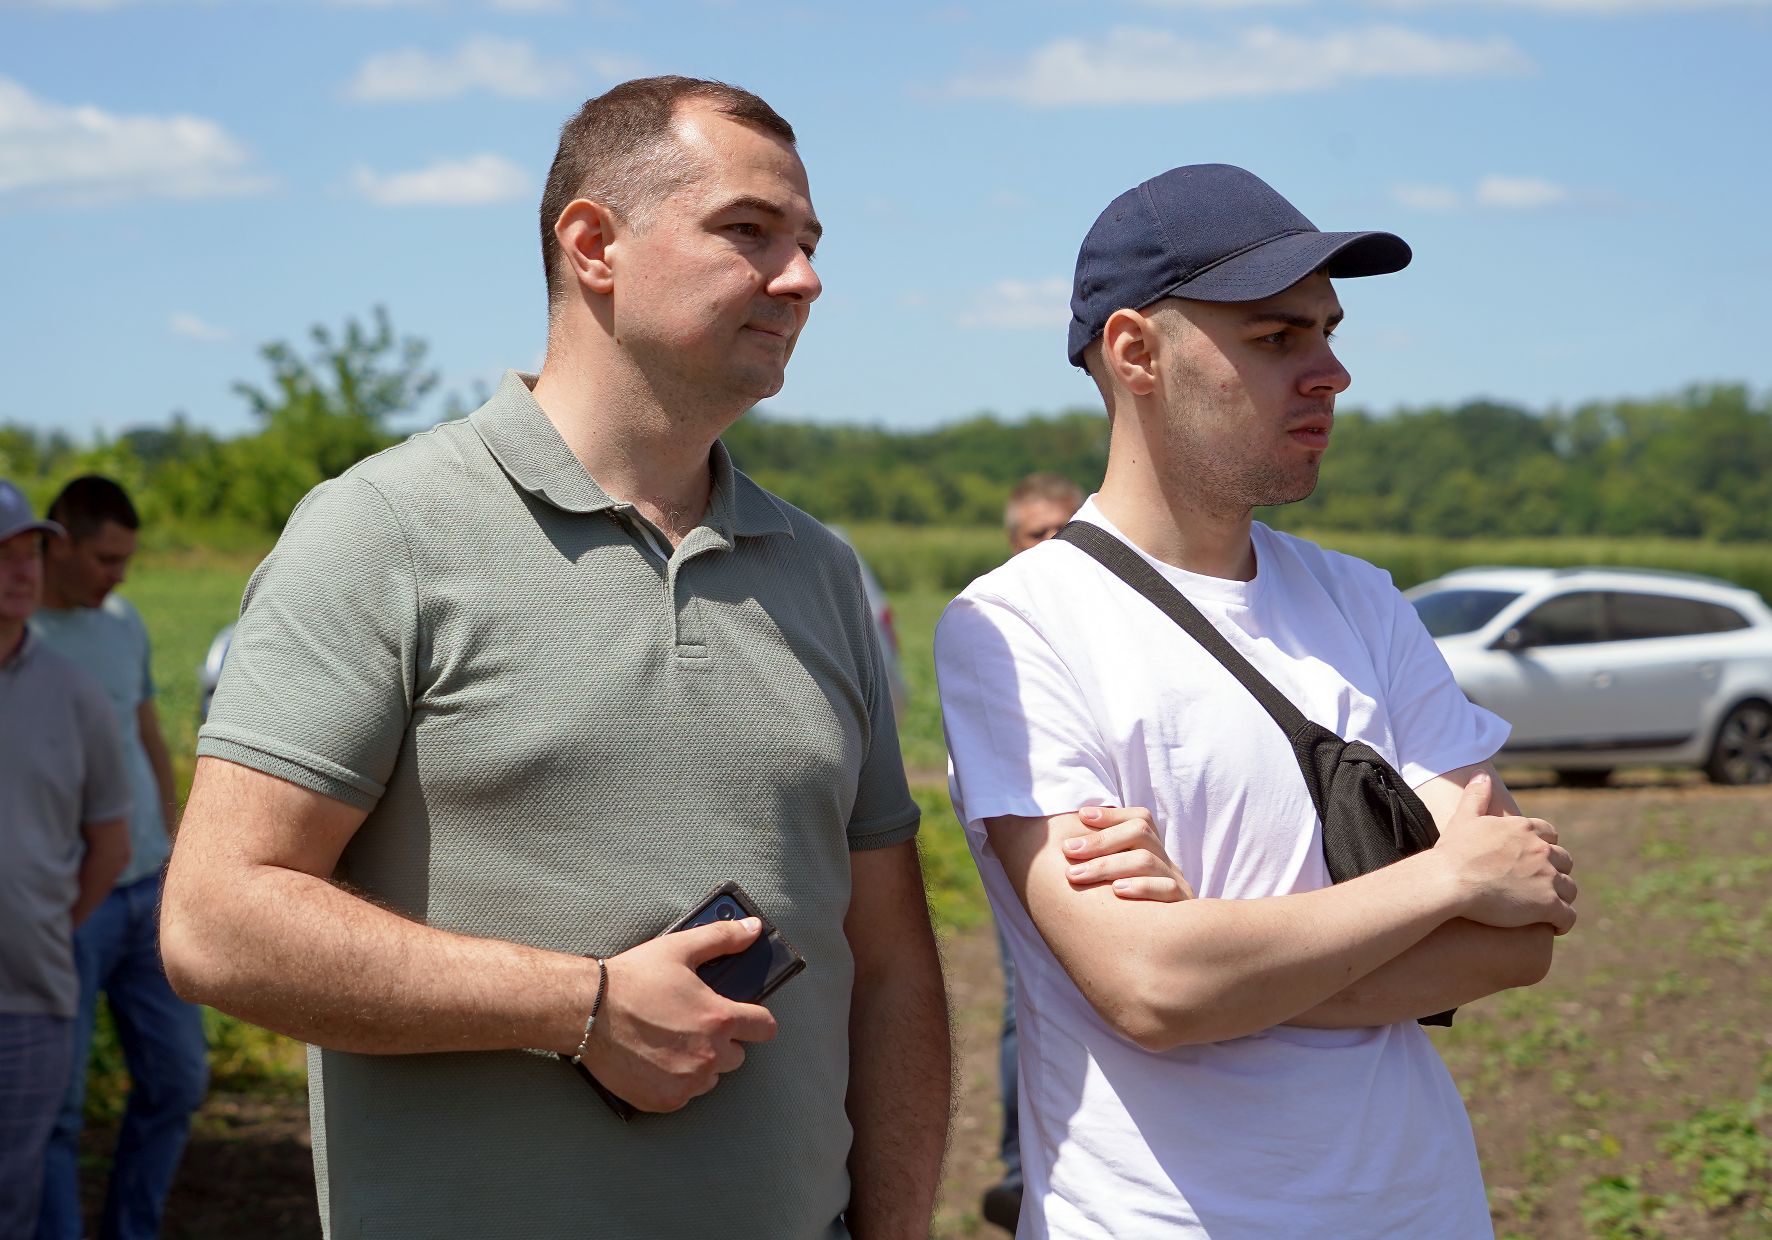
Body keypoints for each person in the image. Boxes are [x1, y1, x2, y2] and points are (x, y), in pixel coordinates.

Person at [160, 77, 949, 1239]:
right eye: (749, 230)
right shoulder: (385, 531)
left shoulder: (822, 574)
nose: (801, 278)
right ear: (592, 245)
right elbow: (218, 920)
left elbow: (886, 971)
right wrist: (580, 1005)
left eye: (809, 243)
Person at [934, 164, 1579, 1238]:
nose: (1331, 373)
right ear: (1134, 352)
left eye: (1327, 332)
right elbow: (1150, 989)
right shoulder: (1017, 625)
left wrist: (1219, 961)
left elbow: (1516, 939)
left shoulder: (1362, 601)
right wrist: (1443, 879)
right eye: (1277, 338)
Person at [31, 475, 208, 1240]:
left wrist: (172, 844)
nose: (120, 576)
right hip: (66, 905)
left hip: (146, 895)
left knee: (178, 1083)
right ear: (58, 544)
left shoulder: (121, 622)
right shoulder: (20, 639)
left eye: (127, 560)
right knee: (58, 1109)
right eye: (106, 559)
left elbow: (146, 736)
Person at [0, 481, 132, 1238]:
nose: (22, 571)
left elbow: (111, 844)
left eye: (30, 553)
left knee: (12, 1202)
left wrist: (44, 924)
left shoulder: (75, 693)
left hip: (28, 999)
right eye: (3, 556)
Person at [980, 471, 1085, 1230]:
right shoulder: (996, 621)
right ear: (1012, 543)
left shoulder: (1121, 613)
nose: (1049, 545)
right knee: (1030, 995)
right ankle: (1023, 1167)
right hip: (1027, 833)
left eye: (1064, 531)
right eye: (1035, 533)